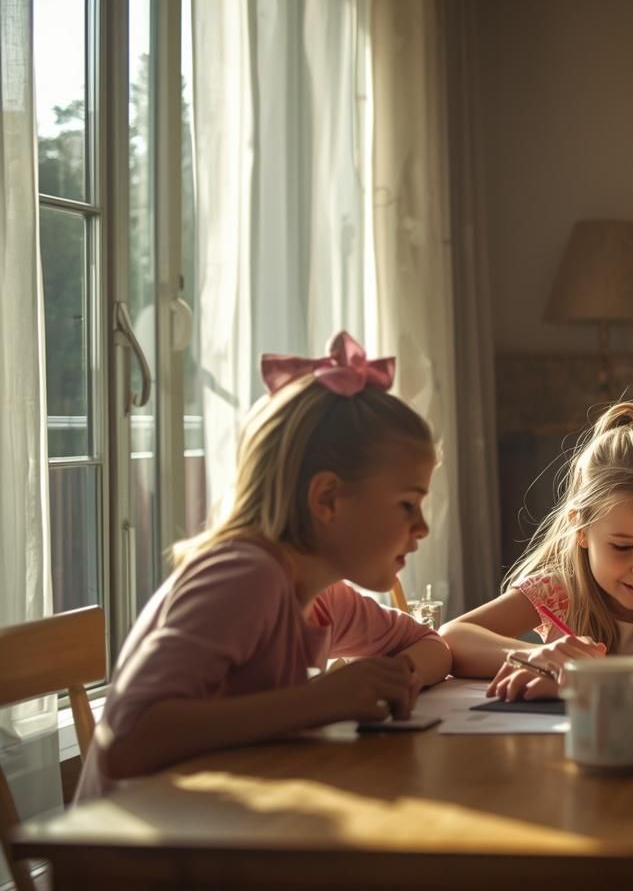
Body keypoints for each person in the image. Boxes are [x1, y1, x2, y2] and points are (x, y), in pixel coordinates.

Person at [78, 332, 451, 800]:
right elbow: (125, 742)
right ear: (328, 498)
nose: (422, 528)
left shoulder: (322, 595)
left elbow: (430, 644)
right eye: (406, 505)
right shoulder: (245, 576)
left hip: (223, 836)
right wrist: (321, 701)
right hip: (139, 860)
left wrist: (392, 678)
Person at [441, 403, 633, 700]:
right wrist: (542, 656)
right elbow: (453, 638)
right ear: (581, 529)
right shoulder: (558, 590)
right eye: (623, 547)